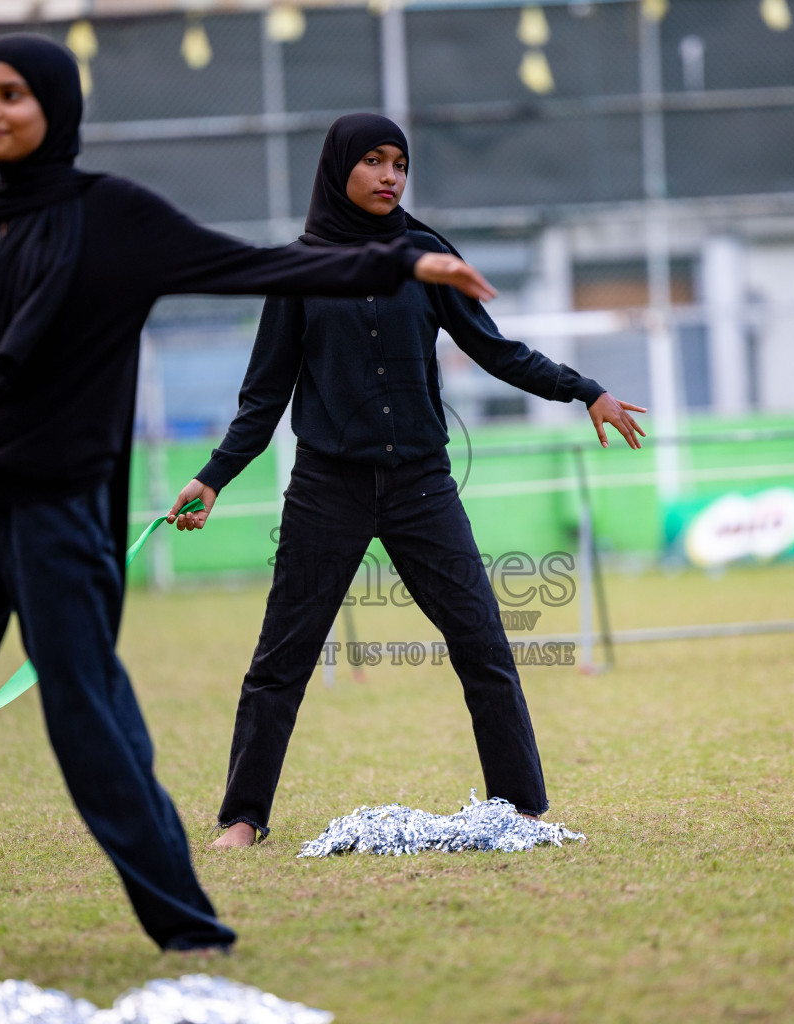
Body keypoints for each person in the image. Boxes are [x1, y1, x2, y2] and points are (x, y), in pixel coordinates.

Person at [0, 39, 496, 969]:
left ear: (57, 109)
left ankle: (186, 923)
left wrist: (399, 268)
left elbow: (253, 268)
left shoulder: (109, 215)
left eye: (12, 95)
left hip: (61, 509)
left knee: (86, 716)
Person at [165, 113, 646, 849]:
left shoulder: (426, 257)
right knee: (281, 659)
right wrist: (213, 477)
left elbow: (495, 350)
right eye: (374, 162)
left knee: (483, 641)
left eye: (401, 164)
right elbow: (263, 396)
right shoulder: (298, 271)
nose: (390, 176)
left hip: (422, 485)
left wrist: (584, 390)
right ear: (338, 170)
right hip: (327, 490)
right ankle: (242, 818)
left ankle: (518, 807)